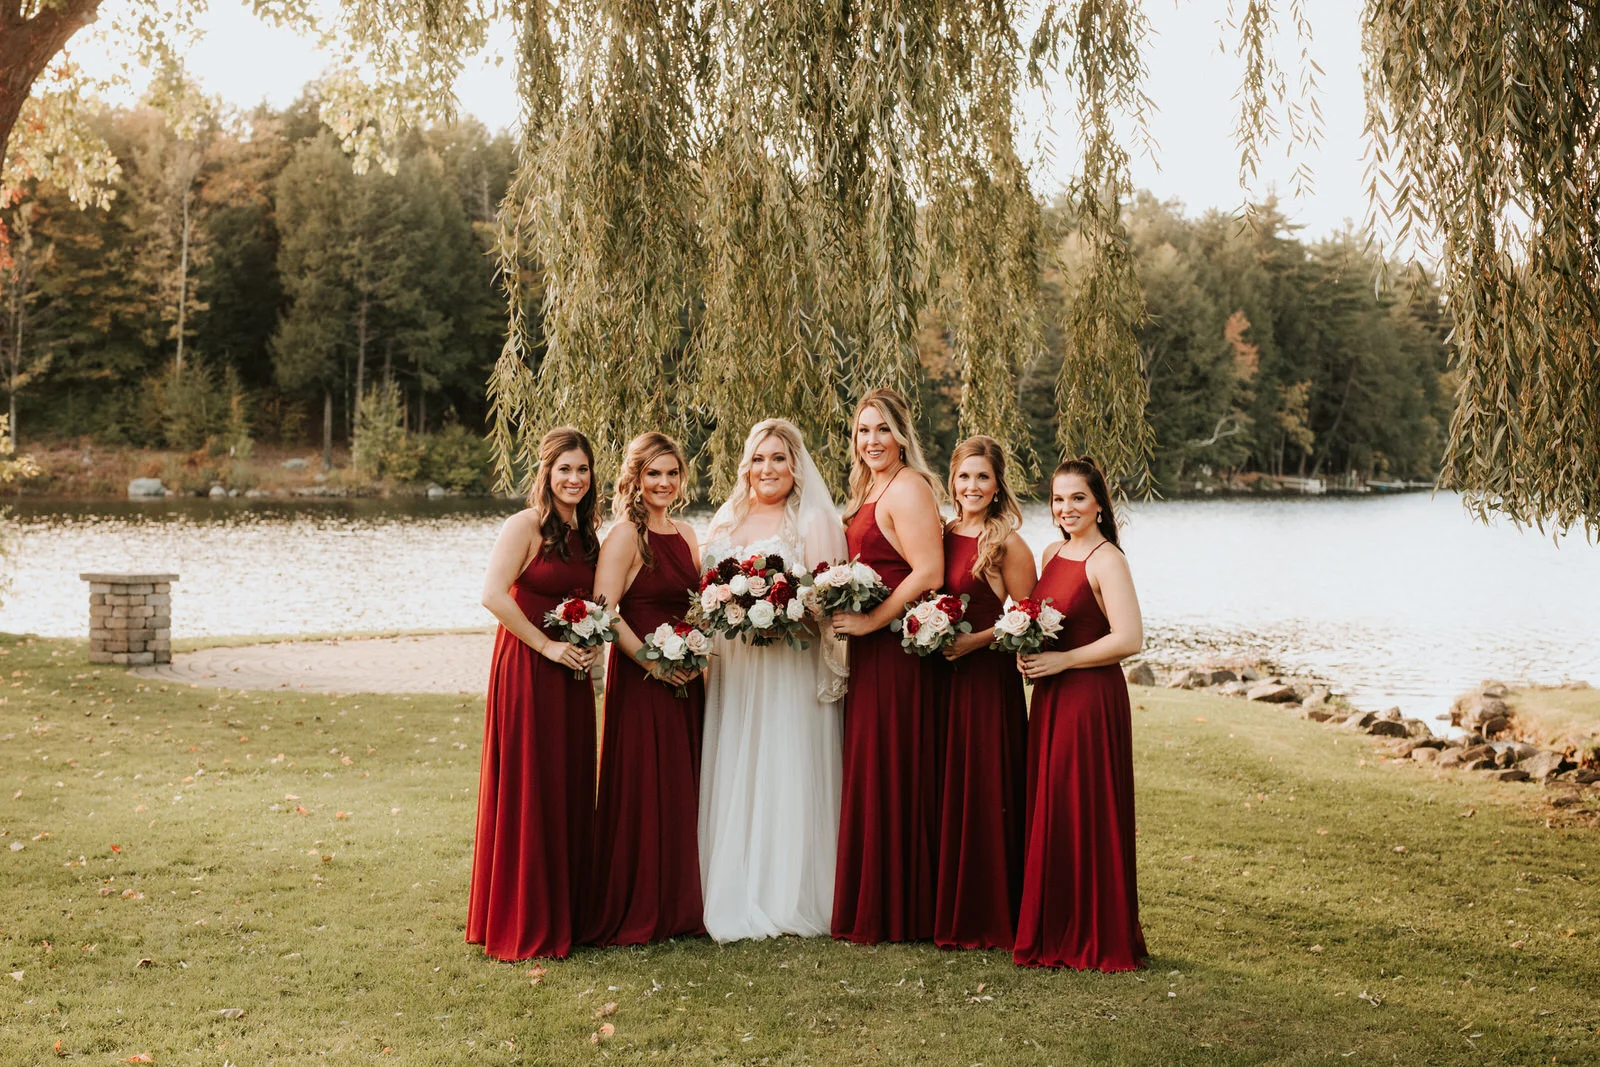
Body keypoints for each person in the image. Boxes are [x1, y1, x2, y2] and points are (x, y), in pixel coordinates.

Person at [698, 419, 849, 941]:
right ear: (746, 464)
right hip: (736, 667)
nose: (768, 469)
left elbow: (830, 604)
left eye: (779, 459)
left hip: (790, 664)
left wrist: (782, 606)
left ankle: (791, 893)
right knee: (738, 761)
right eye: (759, 458)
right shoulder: (726, 518)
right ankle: (736, 885)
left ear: (796, 465)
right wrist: (732, 606)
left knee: (787, 763)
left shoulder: (814, 521)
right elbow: (703, 595)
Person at [466, 427, 602, 960]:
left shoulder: (588, 534)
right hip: (527, 666)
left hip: (572, 673)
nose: (573, 478)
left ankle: (566, 910)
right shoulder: (524, 526)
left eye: (582, 470)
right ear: (545, 472)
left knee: (566, 781)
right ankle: (523, 917)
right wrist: (546, 647)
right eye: (564, 468)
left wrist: (593, 652)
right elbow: (493, 596)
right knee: (530, 782)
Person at [1015, 457, 1147, 971]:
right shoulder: (1052, 552)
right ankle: (1055, 924)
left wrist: (1063, 659)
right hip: (1050, 697)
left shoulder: (1106, 559)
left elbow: (1129, 638)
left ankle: (1091, 931)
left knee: (1081, 808)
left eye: (1077, 498)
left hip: (1089, 699)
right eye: (1058, 498)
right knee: (1053, 808)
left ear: (1098, 503)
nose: (1065, 508)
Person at [830, 387, 945, 943]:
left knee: (889, 766)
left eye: (882, 430)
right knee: (868, 766)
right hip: (867, 649)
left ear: (902, 435)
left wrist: (874, 623)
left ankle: (897, 907)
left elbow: (928, 571)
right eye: (863, 430)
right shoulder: (867, 486)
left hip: (896, 650)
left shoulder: (911, 488)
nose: (872, 441)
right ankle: (871, 899)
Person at [586, 431, 707, 946]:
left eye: (672, 473)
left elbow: (698, 605)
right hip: (643, 679)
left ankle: (683, 903)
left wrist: (698, 654)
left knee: (684, 787)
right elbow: (604, 612)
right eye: (653, 473)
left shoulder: (686, 533)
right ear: (634, 478)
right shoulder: (624, 536)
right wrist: (653, 664)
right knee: (644, 787)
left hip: (687, 678)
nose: (663, 483)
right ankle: (641, 902)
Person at [934, 435, 1036, 950]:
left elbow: (1026, 617)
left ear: (998, 487)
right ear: (952, 480)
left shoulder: (1007, 543)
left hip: (986, 682)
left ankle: (991, 910)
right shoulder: (941, 532)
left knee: (986, 788)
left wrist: (974, 641)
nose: (971, 486)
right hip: (940, 682)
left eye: (983, 478)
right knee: (947, 789)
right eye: (964, 476)